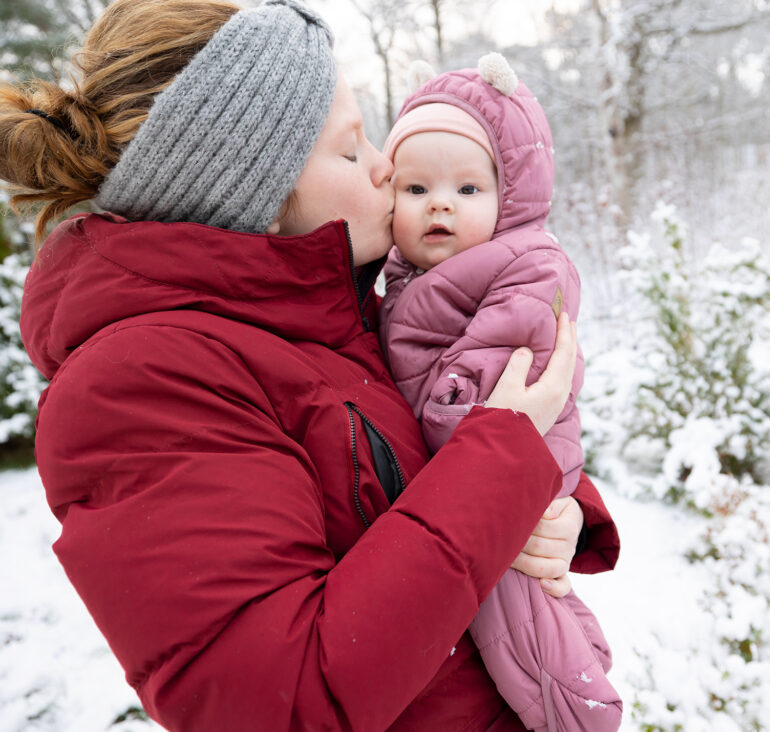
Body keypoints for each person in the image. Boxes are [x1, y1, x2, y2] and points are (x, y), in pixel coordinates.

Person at [0, 1, 619, 729]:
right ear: (256, 196)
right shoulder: (140, 384)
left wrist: (555, 511)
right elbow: (276, 700)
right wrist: (500, 463)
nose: (389, 166)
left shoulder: (324, 316)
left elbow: (410, 460)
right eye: (353, 150)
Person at [378, 55, 622, 731]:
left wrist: (439, 422)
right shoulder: (394, 280)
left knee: (524, 611)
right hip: (471, 487)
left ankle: (579, 708)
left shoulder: (530, 264)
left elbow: (505, 378)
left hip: (512, 477)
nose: (440, 204)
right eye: (416, 187)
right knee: (510, 614)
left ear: (510, 195)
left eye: (467, 189)